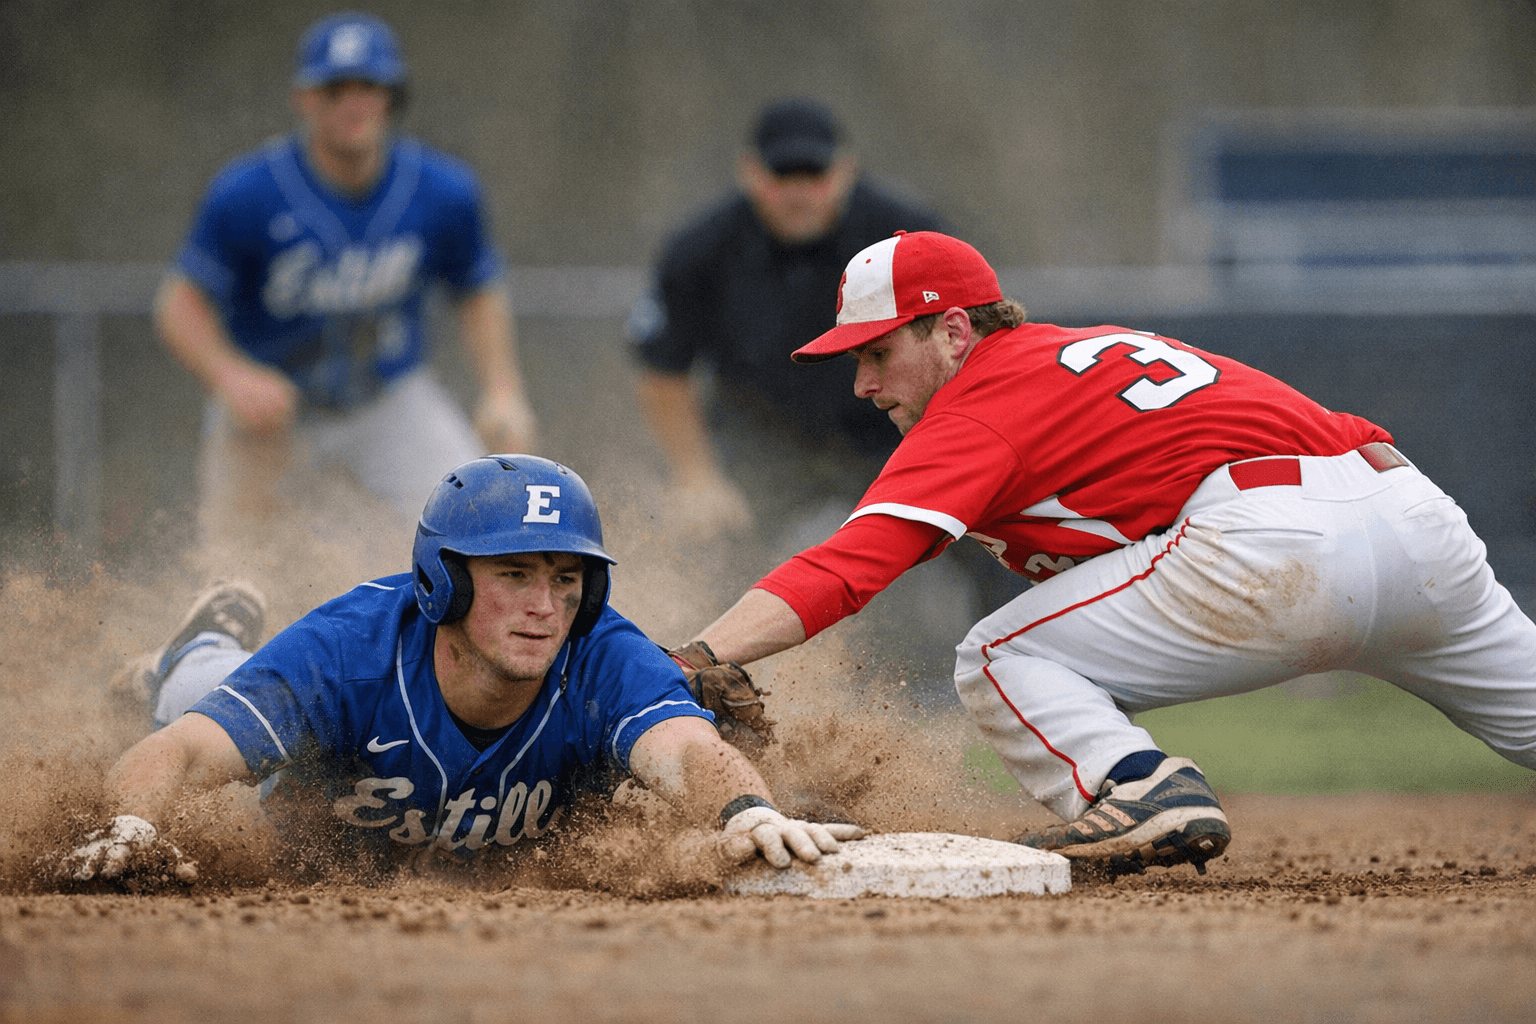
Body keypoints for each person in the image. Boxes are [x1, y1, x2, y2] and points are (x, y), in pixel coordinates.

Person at [667, 229, 1536, 876]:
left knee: (999, 653)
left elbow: (852, 565)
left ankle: (1138, 787)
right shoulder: (1071, 361)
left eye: (879, 352)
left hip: (1270, 541)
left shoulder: (981, 403)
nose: (861, 383)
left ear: (954, 332)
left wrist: (701, 655)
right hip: (1412, 519)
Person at [64, 455, 858, 882]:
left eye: (565, 578)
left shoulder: (601, 651)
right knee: (197, 700)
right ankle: (194, 650)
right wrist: (132, 827)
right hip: (299, 806)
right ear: (442, 581)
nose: (544, 605)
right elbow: (176, 757)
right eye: (514, 573)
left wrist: (748, 812)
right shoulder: (352, 648)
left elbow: (687, 749)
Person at [154, 12, 537, 553]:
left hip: (389, 398)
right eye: (336, 90)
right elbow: (179, 305)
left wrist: (503, 389)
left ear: (391, 97)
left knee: (479, 522)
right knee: (233, 567)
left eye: (370, 87)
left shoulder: (442, 189)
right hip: (274, 413)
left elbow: (477, 290)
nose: (355, 103)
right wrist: (230, 376)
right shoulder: (248, 191)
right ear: (304, 99)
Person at [627, 96, 951, 542]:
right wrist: (697, 477)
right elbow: (663, 368)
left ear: (845, 172)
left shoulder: (909, 234)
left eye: (814, 175)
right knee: (704, 533)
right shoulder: (700, 250)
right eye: (782, 175)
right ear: (749, 172)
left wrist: (946, 445)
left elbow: (958, 346)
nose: (799, 193)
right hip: (761, 446)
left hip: (892, 437)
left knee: (991, 520)